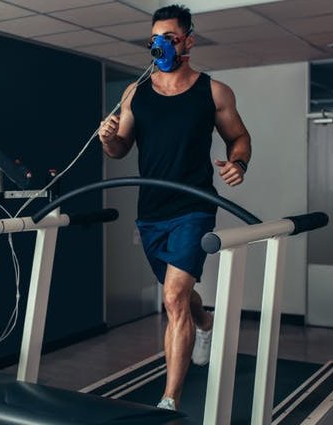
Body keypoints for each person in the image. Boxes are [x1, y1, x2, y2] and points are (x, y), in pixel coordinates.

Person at [98, 4, 251, 411]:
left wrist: (238, 163)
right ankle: (204, 323)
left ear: (188, 41)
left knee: (172, 297)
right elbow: (119, 149)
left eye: (170, 37)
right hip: (151, 212)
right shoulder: (136, 93)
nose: (161, 45)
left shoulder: (213, 91)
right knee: (180, 297)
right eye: (155, 39)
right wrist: (107, 137)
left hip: (193, 209)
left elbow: (238, 137)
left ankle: (170, 401)